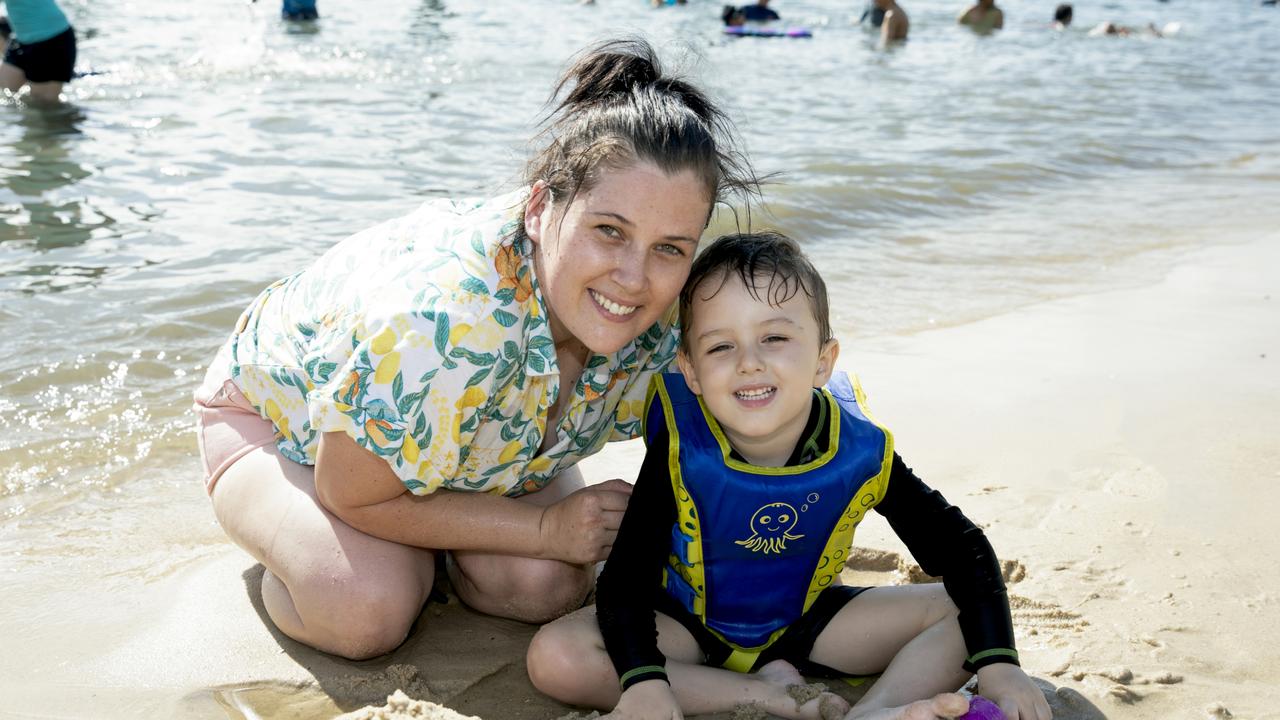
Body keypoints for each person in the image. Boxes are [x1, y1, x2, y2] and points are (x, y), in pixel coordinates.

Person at [192, 38, 759, 661]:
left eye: (669, 248)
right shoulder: (442, 322)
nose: (632, 277)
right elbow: (348, 490)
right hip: (282, 425)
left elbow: (747, 423)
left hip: (471, 453)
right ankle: (311, 552)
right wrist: (543, 528)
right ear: (542, 207)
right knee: (363, 611)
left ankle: (425, 543)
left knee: (546, 586)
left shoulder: (668, 314)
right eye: (609, 231)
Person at [526, 233, 1052, 720]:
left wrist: (1000, 663)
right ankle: (769, 695)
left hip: (808, 623)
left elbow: (962, 549)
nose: (749, 363)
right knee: (557, 657)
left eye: (774, 337)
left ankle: (876, 712)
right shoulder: (684, 451)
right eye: (720, 346)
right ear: (691, 371)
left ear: (825, 360)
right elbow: (627, 579)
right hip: (686, 625)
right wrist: (643, 680)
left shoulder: (859, 451)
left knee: (963, 615)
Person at [0, 0, 76, 104]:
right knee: (4, 91)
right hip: (22, 38)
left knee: (44, 106)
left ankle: (82, 116)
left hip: (51, 40)